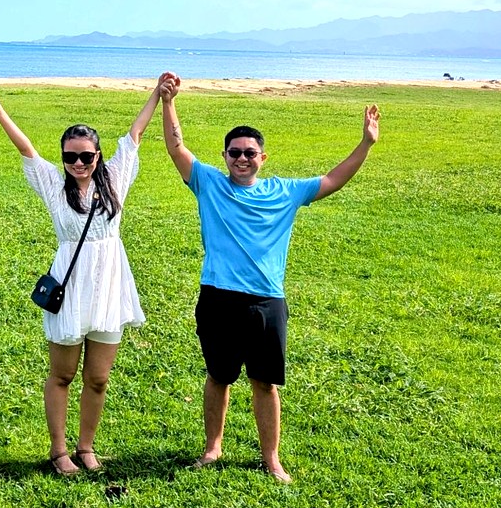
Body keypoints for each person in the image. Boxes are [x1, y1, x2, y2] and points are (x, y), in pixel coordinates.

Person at [158, 73, 380, 483]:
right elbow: (176, 147)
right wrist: (167, 100)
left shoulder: (284, 191)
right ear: (224, 156)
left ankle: (271, 458)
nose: (242, 158)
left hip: (266, 301)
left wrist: (365, 143)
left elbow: (333, 179)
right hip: (218, 296)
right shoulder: (208, 185)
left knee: (265, 382)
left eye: (250, 152)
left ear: (263, 157)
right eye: (234, 152)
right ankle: (212, 448)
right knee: (219, 376)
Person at [0, 82, 162, 475]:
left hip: (109, 286)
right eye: (71, 156)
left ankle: (86, 447)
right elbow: (26, 149)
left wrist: (157, 94)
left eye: (86, 156)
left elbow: (134, 135)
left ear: (98, 156)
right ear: (63, 156)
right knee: (63, 374)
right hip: (70, 286)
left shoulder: (115, 180)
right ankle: (58, 449)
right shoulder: (53, 185)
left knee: (98, 379)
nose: (78, 163)